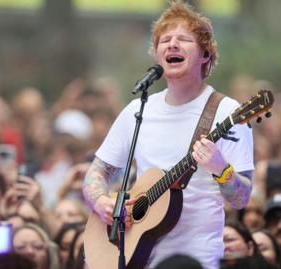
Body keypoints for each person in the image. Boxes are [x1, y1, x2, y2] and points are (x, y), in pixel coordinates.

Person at [82, 1, 254, 268]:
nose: (172, 45)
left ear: (206, 55)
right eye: (165, 40)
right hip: (132, 254)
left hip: (198, 257)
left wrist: (220, 168)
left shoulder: (227, 112)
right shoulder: (139, 109)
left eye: (183, 39)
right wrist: (102, 202)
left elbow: (241, 198)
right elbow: (97, 172)